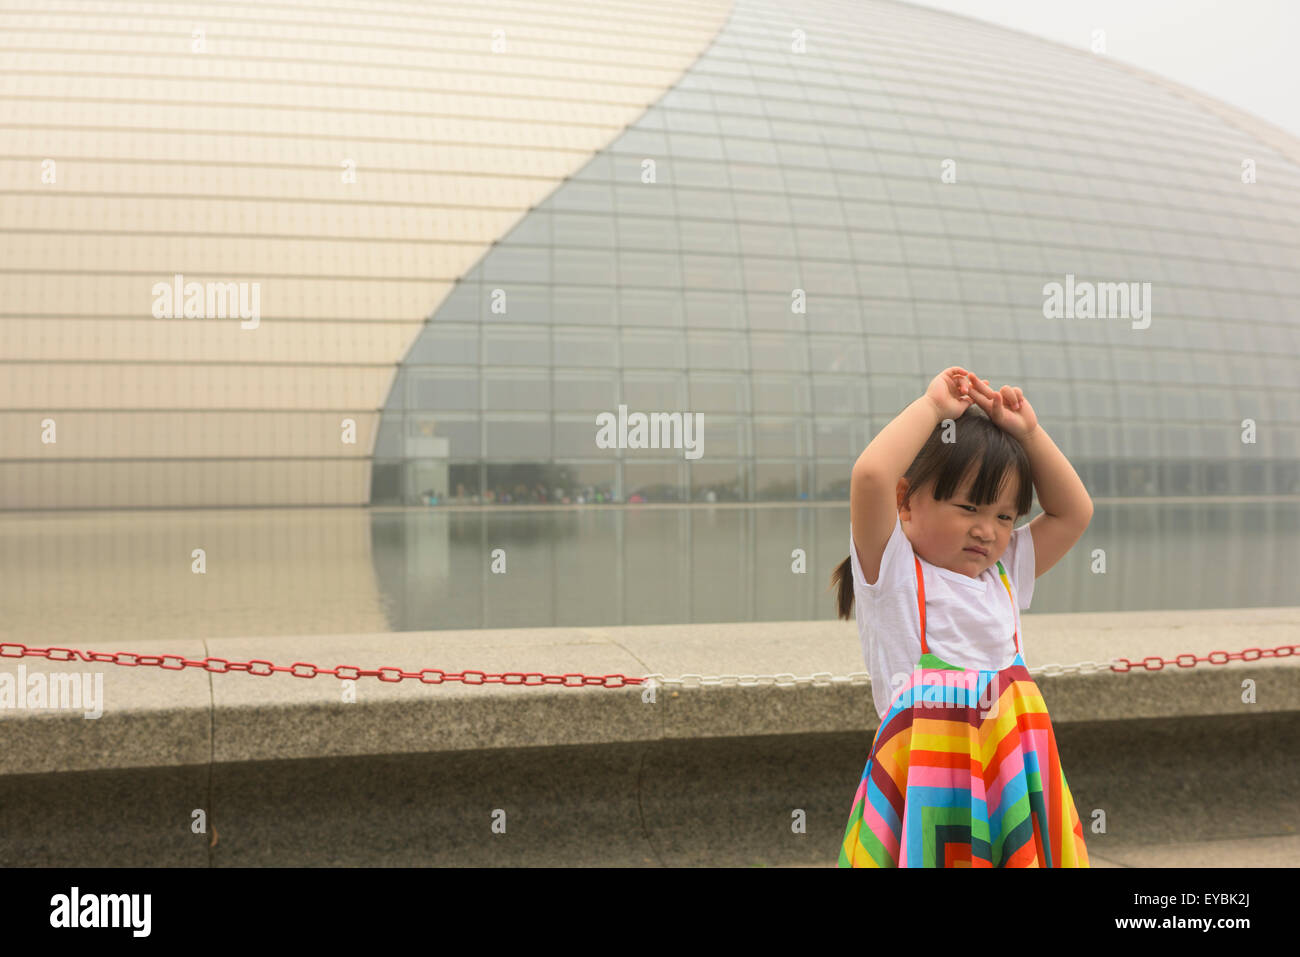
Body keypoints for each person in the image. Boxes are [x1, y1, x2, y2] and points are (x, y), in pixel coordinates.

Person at [829, 367, 1092, 867]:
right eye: (968, 507)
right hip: (932, 788)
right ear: (906, 503)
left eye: (1003, 516)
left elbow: (1073, 511)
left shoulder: (1003, 572)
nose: (987, 531)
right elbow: (870, 475)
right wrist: (932, 407)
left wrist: (1029, 435)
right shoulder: (896, 574)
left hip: (1010, 775)